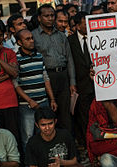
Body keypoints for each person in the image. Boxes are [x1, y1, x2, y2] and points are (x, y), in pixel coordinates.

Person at [32, 4, 76, 132]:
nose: (50, 18)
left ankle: (68, 144)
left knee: (65, 114)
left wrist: (72, 81)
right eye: (46, 16)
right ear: (39, 18)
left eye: (52, 16)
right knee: (48, 114)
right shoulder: (34, 36)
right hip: (45, 78)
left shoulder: (61, 35)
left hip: (63, 76)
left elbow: (70, 60)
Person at [14, 29, 58, 152]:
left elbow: (45, 78)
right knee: (27, 138)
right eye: (27, 39)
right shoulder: (16, 59)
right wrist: (29, 100)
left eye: (32, 38)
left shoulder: (39, 56)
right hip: (26, 106)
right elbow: (16, 84)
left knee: (45, 136)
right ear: (19, 42)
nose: (32, 41)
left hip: (43, 103)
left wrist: (52, 99)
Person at [68, 11, 95, 149]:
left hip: (98, 84)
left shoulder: (97, 36)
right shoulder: (70, 41)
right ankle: (85, 145)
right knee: (83, 117)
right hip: (80, 85)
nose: (89, 26)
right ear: (77, 26)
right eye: (85, 24)